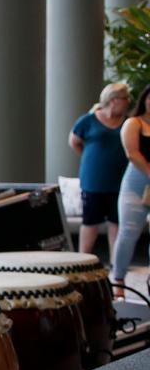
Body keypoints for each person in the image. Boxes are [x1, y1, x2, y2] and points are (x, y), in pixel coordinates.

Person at [70, 83, 131, 254]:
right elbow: (74, 141)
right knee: (91, 221)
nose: (127, 102)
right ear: (113, 100)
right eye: (125, 98)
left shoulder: (127, 122)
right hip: (93, 181)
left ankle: (115, 262)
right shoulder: (88, 120)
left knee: (116, 221)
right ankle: (83, 259)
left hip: (120, 180)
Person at [110, 84, 150, 293]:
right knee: (128, 233)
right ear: (145, 99)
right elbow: (132, 153)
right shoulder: (133, 123)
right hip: (136, 184)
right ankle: (118, 282)